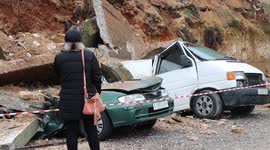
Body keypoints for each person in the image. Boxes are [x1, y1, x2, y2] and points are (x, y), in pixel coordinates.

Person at [54, 28, 102, 150]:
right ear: (80, 40)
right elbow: (97, 77)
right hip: (87, 99)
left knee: (71, 132)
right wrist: (96, 92)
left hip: (68, 101)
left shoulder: (59, 57)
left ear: (66, 41)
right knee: (91, 130)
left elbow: (58, 77)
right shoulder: (89, 55)